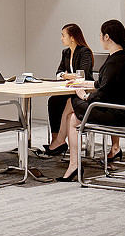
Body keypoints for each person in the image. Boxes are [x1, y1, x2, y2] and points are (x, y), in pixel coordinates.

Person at [56, 19, 125, 181]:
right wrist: (85, 84)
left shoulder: (116, 61)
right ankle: (73, 164)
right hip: (117, 108)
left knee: (72, 102)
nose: (99, 38)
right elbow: (103, 83)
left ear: (107, 37)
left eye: (100, 35)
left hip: (116, 113)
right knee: (72, 118)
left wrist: (85, 96)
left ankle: (62, 147)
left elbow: (103, 92)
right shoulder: (121, 58)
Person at [40, 23, 94, 156]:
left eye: (63, 35)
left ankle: (59, 141)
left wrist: (67, 75)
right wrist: (66, 75)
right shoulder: (66, 52)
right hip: (70, 89)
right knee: (53, 101)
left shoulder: (84, 52)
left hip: (82, 91)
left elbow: (82, 74)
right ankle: (56, 139)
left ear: (72, 37)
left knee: (63, 102)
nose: (61, 38)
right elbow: (58, 73)